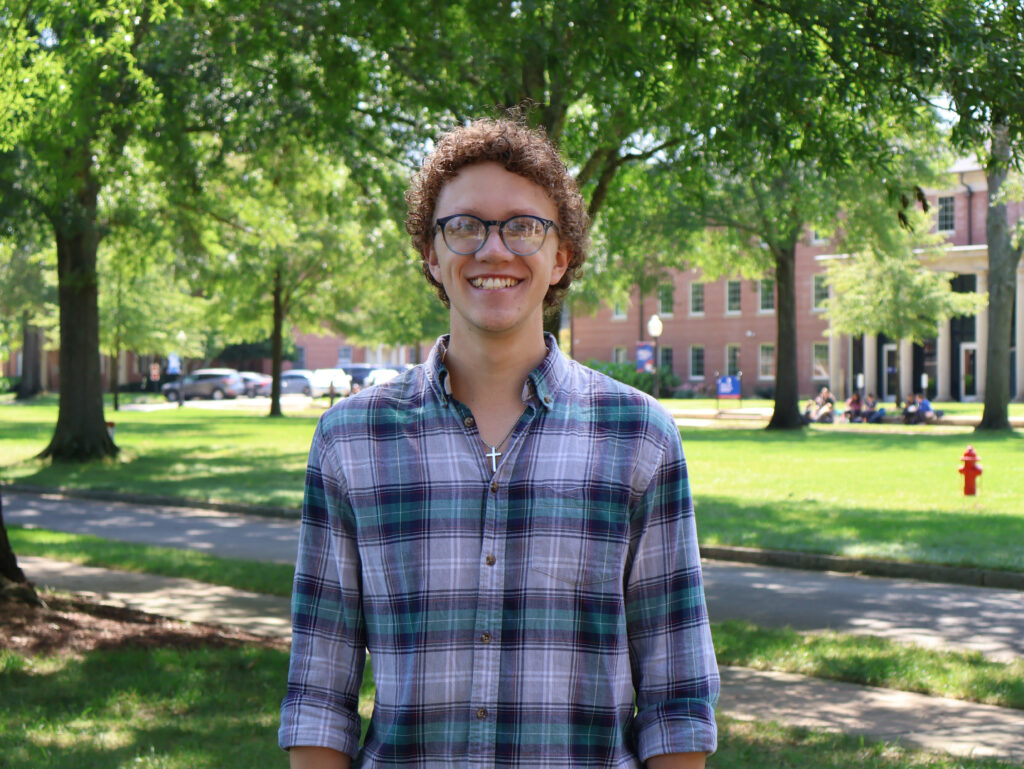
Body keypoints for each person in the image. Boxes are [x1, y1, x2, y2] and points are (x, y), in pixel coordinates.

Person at [279, 118, 719, 769]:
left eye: (522, 225)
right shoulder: (352, 439)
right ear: (431, 253)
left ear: (561, 255)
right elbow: (320, 688)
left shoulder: (640, 435)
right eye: (464, 226)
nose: (493, 249)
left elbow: (676, 695)